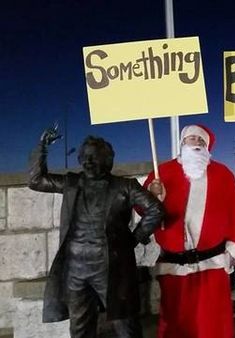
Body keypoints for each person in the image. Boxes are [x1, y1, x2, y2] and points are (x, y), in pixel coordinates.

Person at [29, 127, 164, 338]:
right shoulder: (72, 183)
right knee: (80, 327)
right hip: (76, 268)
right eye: (84, 157)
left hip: (111, 267)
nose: (88, 161)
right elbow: (36, 180)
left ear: (107, 159)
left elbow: (155, 209)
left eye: (94, 157)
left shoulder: (124, 186)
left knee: (125, 324)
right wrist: (42, 148)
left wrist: (133, 239)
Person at [143, 124, 235, 338]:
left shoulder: (222, 174)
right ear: (182, 143)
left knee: (212, 327)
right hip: (174, 268)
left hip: (213, 266)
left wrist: (234, 253)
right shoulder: (161, 173)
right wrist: (151, 196)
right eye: (192, 139)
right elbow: (141, 209)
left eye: (202, 141)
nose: (197, 143)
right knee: (176, 325)